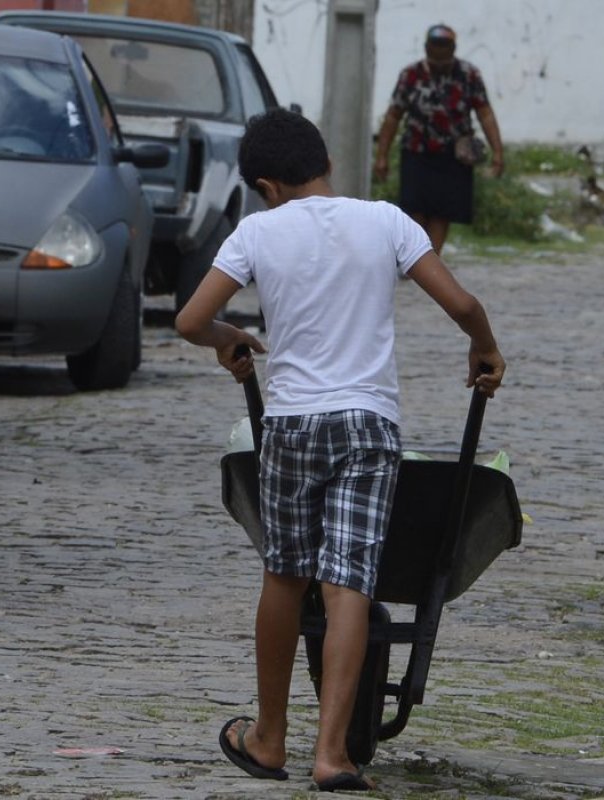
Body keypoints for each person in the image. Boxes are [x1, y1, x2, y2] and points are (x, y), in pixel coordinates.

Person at [175, 108, 504, 792]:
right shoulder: (386, 220)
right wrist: (485, 347)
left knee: (284, 576)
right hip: (367, 423)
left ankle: (267, 738)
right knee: (349, 580)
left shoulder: (257, 232)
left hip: (293, 423)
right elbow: (463, 303)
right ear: (323, 162)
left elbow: (191, 319)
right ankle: (333, 756)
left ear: (266, 184)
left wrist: (228, 340)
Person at [373, 23, 505, 255]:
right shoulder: (410, 75)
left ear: (454, 48)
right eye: (436, 45)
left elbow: (485, 113)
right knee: (415, 210)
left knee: (443, 212)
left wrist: (498, 153)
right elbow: (394, 116)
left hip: (454, 156)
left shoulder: (469, 75)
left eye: (445, 46)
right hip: (416, 152)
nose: (440, 51)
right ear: (426, 47)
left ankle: (430, 260)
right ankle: (413, 257)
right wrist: (381, 156)